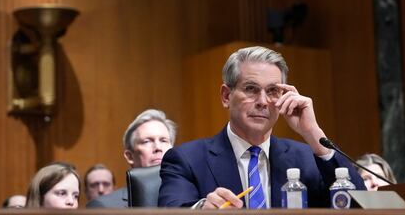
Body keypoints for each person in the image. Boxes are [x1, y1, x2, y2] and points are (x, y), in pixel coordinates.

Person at [158, 46, 366, 209]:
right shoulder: (187, 160)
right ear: (226, 96)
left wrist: (313, 133)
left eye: (273, 91)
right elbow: (170, 210)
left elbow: (360, 205)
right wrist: (201, 208)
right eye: (251, 89)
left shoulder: (309, 159)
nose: (263, 101)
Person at [86, 109, 177, 207]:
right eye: (147, 141)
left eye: (164, 141)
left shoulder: (192, 197)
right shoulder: (104, 207)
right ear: (130, 156)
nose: (158, 148)